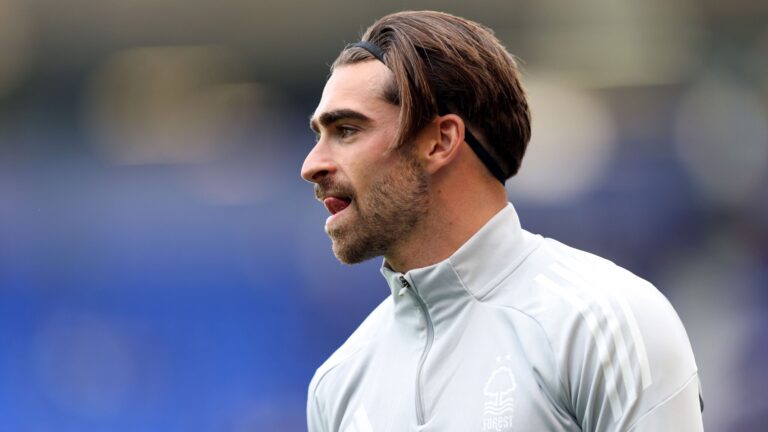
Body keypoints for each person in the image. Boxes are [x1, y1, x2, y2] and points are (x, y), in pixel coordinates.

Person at [301, 10, 703, 432]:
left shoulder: (603, 322)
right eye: (318, 136)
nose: (311, 165)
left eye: (346, 130)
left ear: (440, 141)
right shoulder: (337, 385)